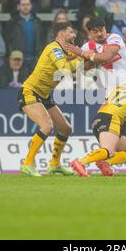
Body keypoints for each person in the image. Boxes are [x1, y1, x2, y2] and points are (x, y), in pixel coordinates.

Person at [65, 17, 126, 176]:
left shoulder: (114, 38)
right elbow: (79, 67)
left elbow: (106, 57)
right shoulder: (87, 46)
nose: (99, 34)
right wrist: (83, 60)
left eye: (101, 30)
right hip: (111, 92)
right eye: (95, 31)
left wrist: (85, 55)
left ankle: (124, 160)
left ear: (105, 29)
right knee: (124, 128)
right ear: (89, 33)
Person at [18, 22, 85, 177]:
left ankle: (54, 165)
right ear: (61, 34)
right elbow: (65, 68)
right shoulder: (53, 48)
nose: (74, 35)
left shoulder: (64, 51)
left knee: (65, 128)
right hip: (30, 92)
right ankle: (27, 163)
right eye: (71, 32)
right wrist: (83, 58)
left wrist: (88, 56)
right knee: (46, 126)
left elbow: (77, 61)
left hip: (44, 95)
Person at [70, 84, 126, 177]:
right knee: (109, 151)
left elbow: (106, 104)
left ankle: (105, 163)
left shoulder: (121, 87)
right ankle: (81, 162)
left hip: (100, 117)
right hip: (112, 119)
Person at [4, 0, 43, 65]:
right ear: (18, 6)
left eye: (27, 4)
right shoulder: (12, 22)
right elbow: (8, 42)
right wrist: (12, 56)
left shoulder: (37, 21)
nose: (25, 7)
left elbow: (41, 40)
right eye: (23, 5)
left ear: (31, 6)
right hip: (18, 60)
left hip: (35, 59)